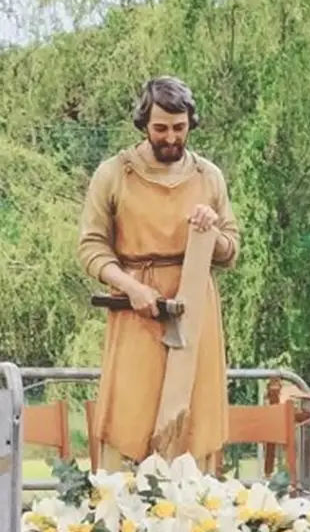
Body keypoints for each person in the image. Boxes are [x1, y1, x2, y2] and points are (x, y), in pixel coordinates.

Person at [77, 76, 239, 471]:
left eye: (179, 128)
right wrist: (130, 286)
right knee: (131, 410)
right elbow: (90, 246)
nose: (170, 137)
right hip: (137, 309)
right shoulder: (114, 174)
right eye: (160, 128)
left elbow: (231, 251)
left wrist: (211, 229)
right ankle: (120, 513)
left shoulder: (209, 176)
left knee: (194, 413)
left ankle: (199, 516)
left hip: (194, 307)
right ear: (144, 124)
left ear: (190, 124)